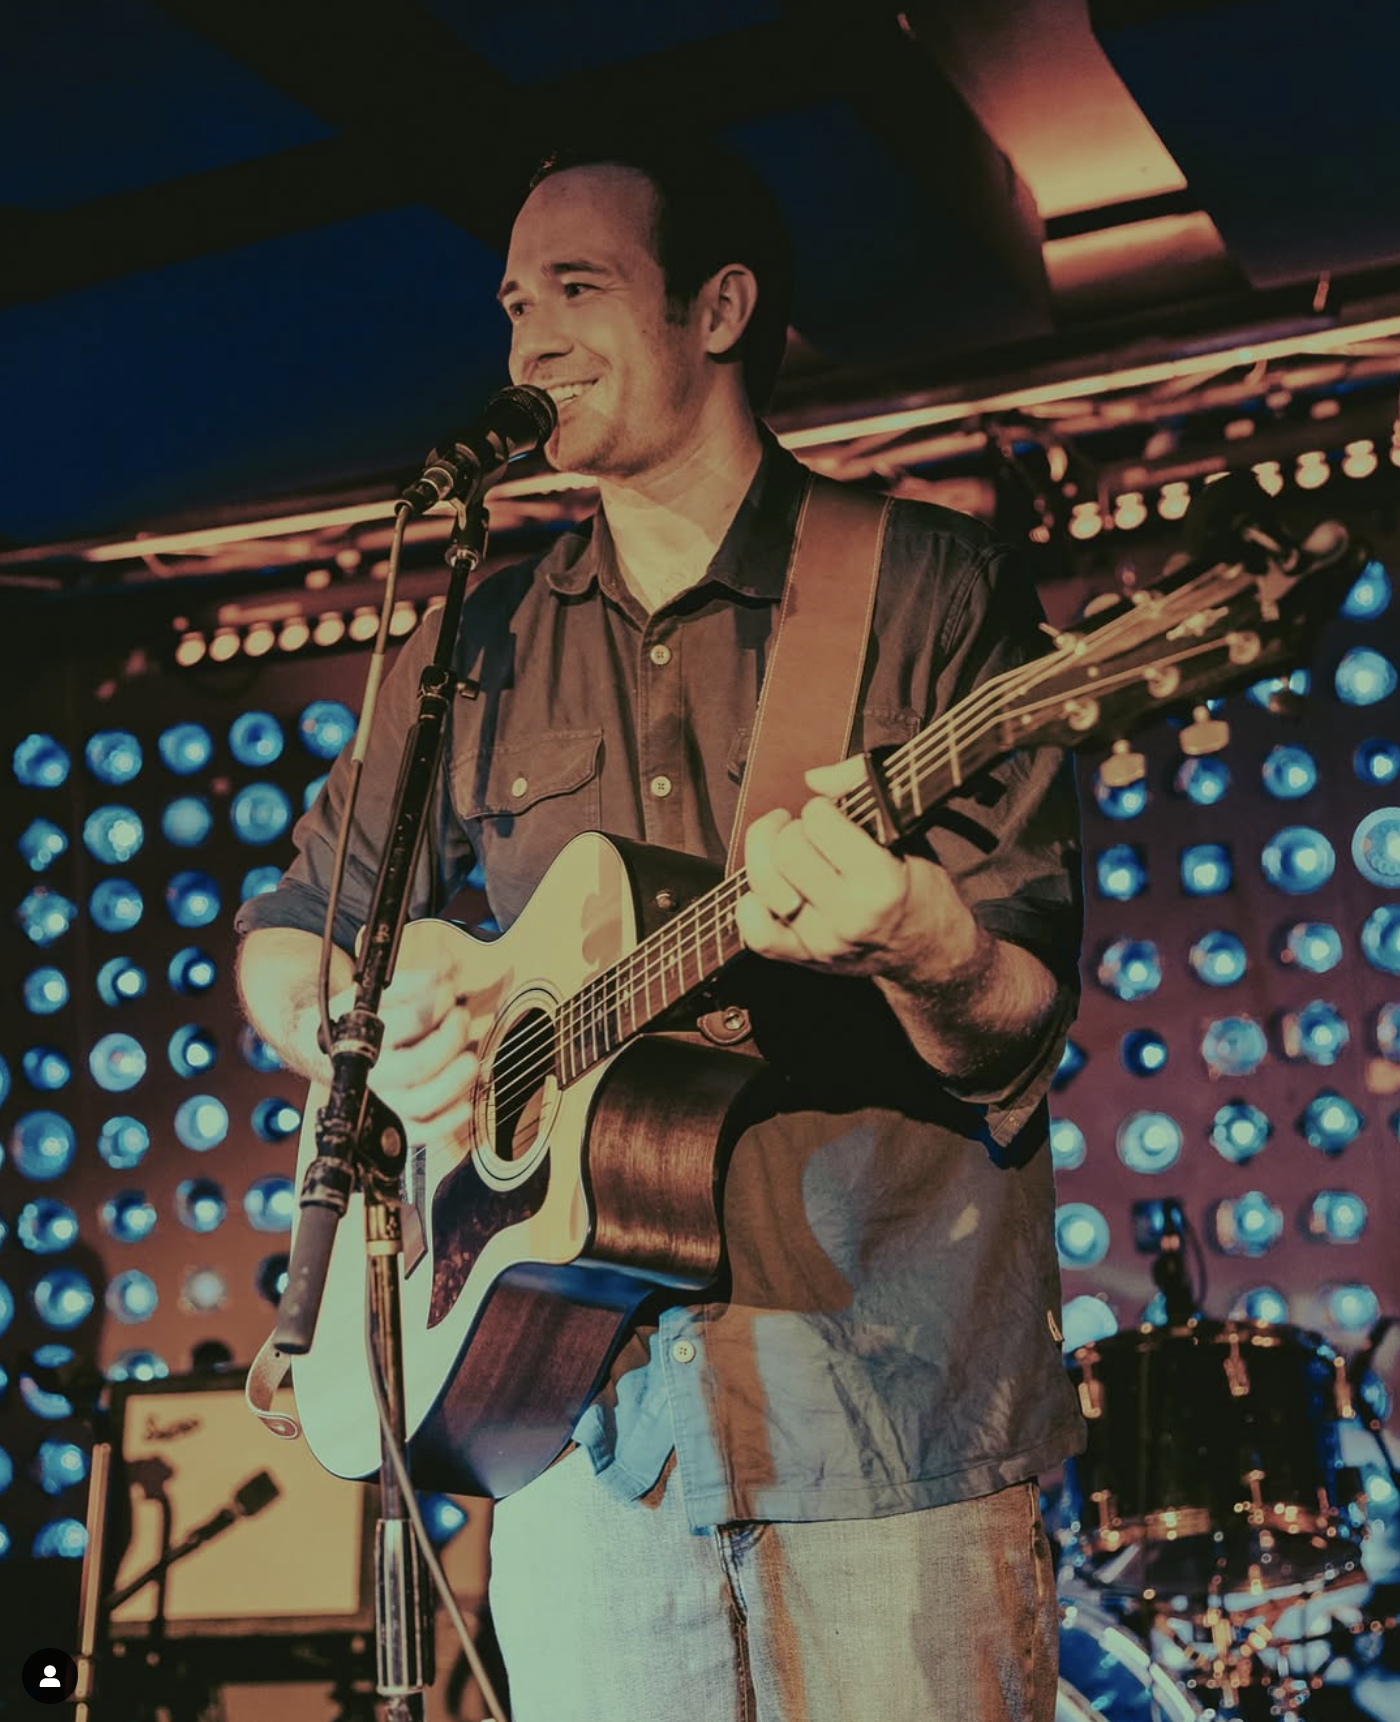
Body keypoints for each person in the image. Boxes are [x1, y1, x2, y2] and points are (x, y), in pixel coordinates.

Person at [236, 131, 1084, 1722]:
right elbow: (290, 929)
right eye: (513, 306)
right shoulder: (475, 642)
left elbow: (1017, 1023)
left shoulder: (924, 588)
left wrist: (926, 942)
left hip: (886, 1430)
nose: (530, 343)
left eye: (579, 289)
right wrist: (366, 1023)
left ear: (720, 308)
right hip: (580, 1452)